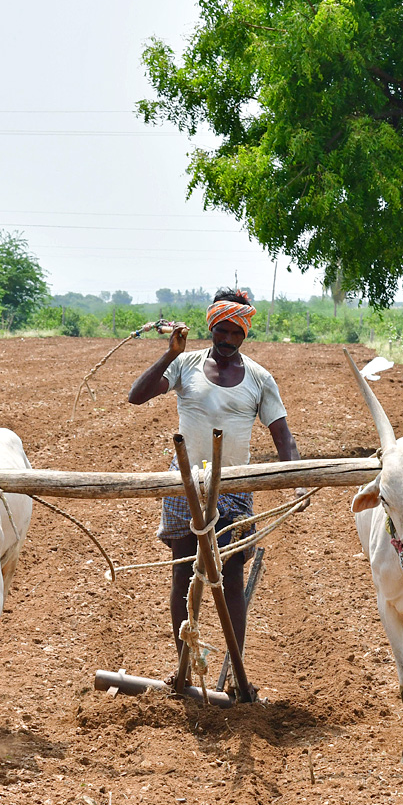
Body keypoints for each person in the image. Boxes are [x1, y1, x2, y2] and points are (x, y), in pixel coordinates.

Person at [127, 289, 305, 689]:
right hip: (185, 484)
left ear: (244, 334)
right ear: (211, 328)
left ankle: (237, 673)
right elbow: (136, 396)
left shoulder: (259, 378)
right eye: (220, 331)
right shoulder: (185, 364)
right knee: (182, 577)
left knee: (232, 580)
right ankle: (183, 668)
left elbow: (284, 439)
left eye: (234, 333)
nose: (226, 339)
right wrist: (170, 353)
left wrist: (294, 482)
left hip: (234, 488)